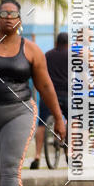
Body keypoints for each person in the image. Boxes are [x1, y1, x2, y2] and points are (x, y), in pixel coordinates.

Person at [0, 0, 66, 186]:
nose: (8, 17)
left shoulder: (31, 50)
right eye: (3, 13)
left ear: (19, 20)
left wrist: (59, 118)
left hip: (18, 111)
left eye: (13, 14)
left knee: (8, 166)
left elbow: (45, 86)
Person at [30, 31, 69, 169]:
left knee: (41, 124)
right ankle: (69, 152)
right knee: (72, 121)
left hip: (48, 95)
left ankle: (37, 156)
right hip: (65, 95)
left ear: (56, 43)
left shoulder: (47, 55)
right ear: (68, 44)